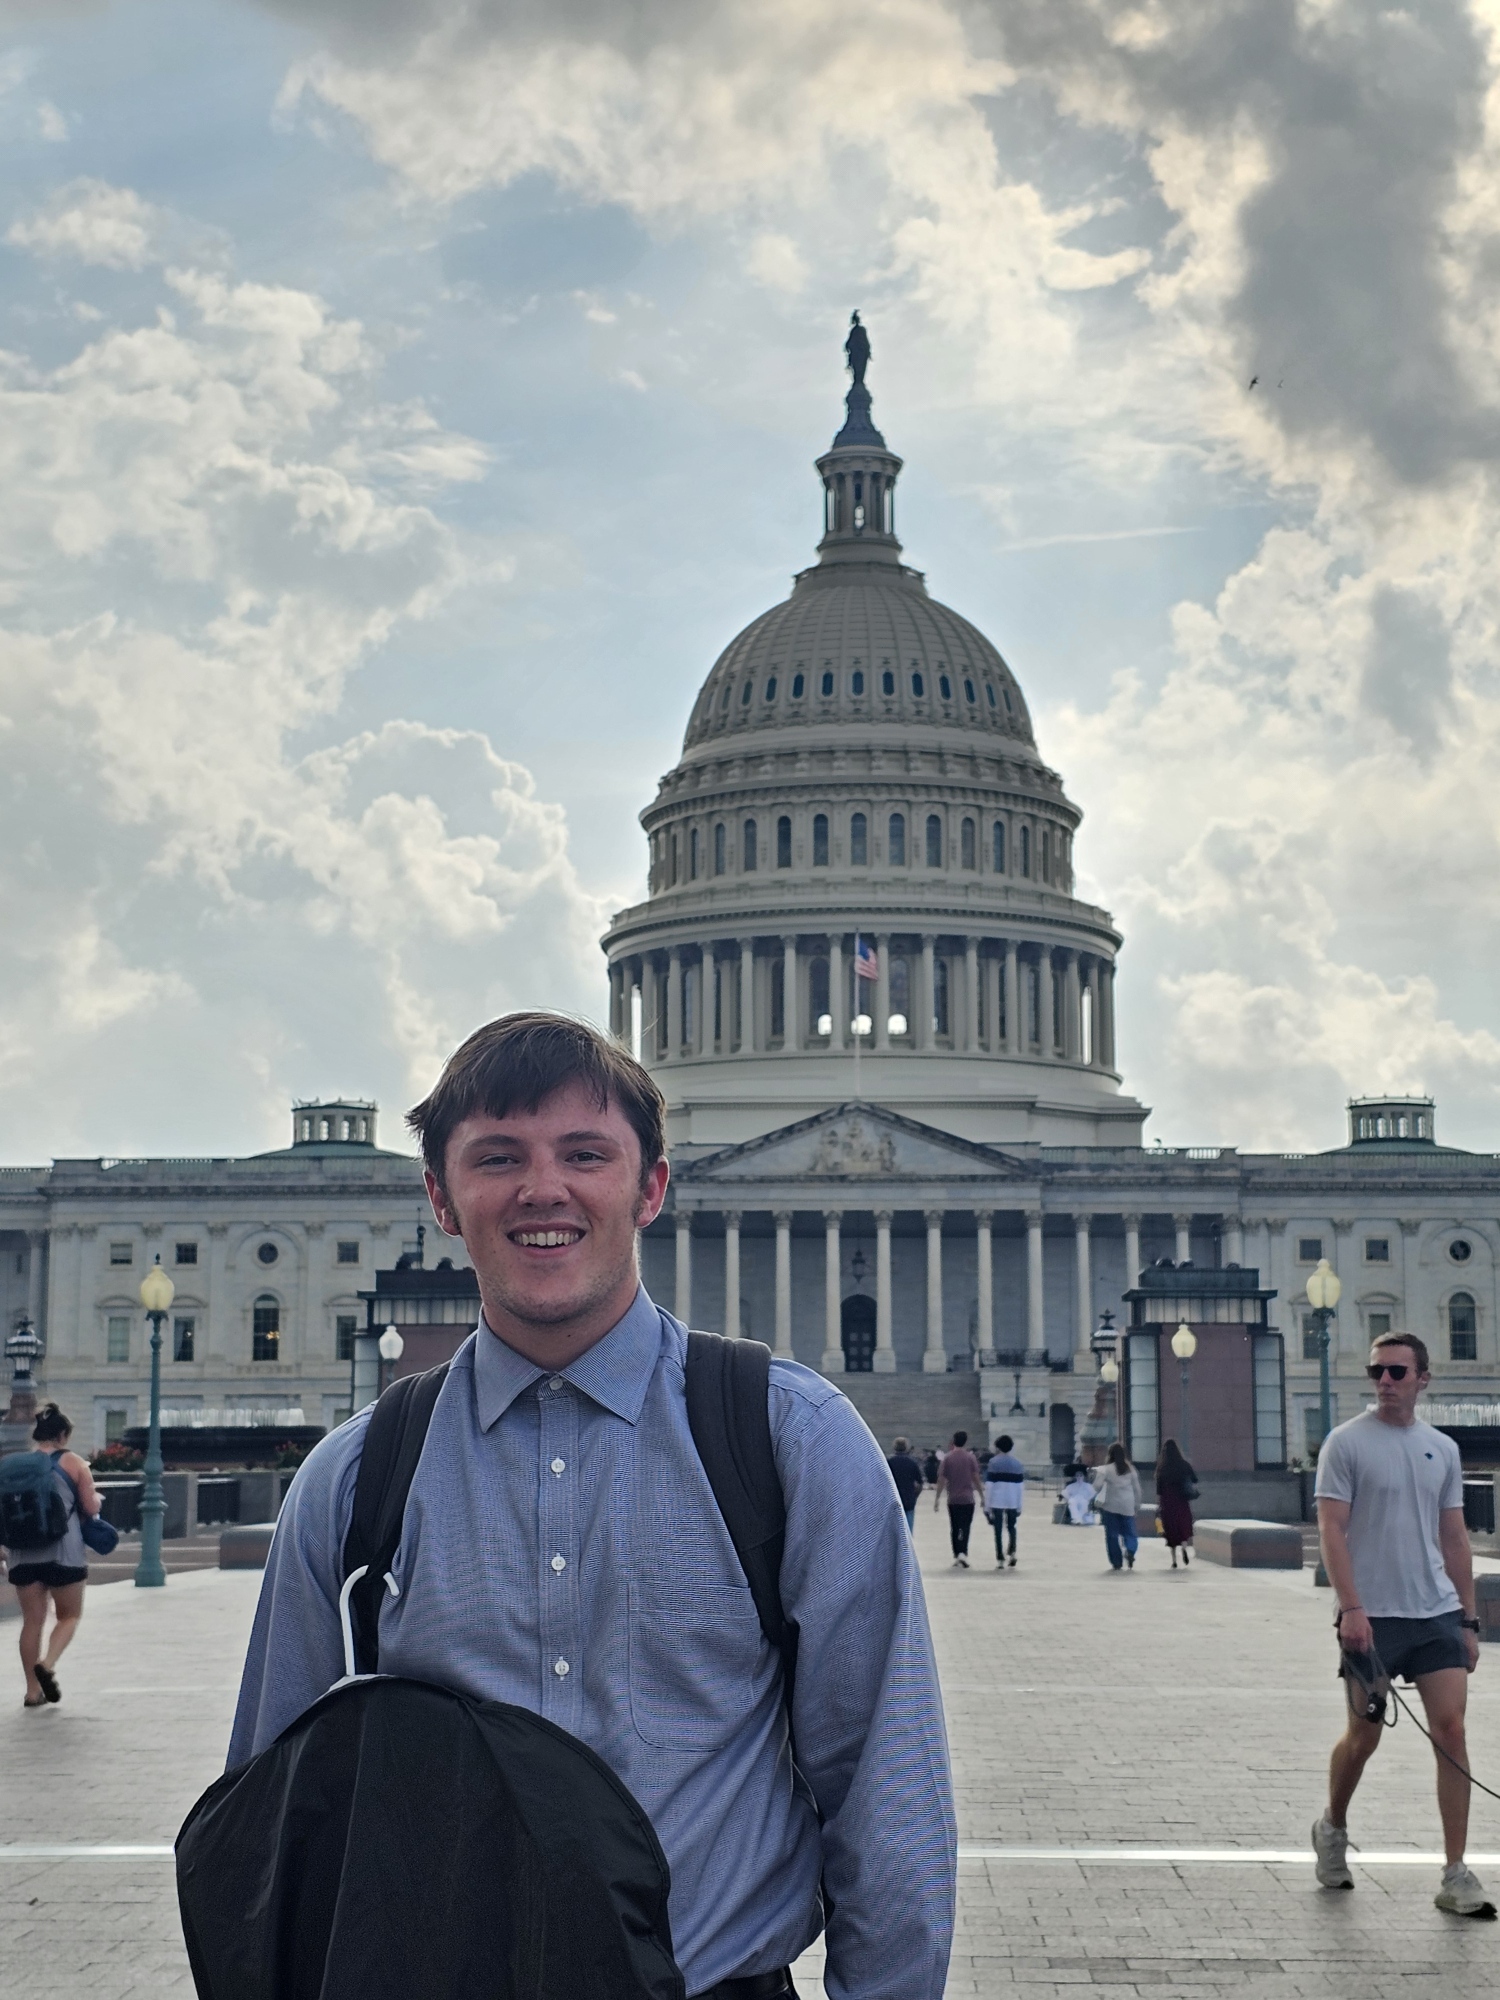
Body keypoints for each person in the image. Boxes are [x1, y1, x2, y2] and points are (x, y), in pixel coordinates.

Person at [230, 1012, 956, 1998]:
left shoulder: (792, 1443)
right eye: (499, 1157)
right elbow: (270, 1819)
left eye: (585, 1153)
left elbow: (884, 1785)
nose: (543, 1189)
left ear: (650, 1186)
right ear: (441, 1197)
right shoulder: (356, 1478)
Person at [1312, 1332, 1493, 1919]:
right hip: (1372, 1616)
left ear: (1422, 1379)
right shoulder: (1345, 1443)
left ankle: (1455, 1872)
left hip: (1436, 1611)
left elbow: (1455, 1537)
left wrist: (1468, 1620)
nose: (1385, 1382)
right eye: (1377, 1372)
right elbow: (1332, 1530)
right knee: (1364, 1736)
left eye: (1396, 1372)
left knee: (1452, 1732)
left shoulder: (1442, 1448)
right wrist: (1352, 1608)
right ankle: (1333, 1826)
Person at [7, 1403, 100, 1708]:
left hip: (22, 1552)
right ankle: (47, 1665)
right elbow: (90, 1507)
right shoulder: (73, 1462)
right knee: (69, 1616)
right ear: (62, 1435)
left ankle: (32, 1692)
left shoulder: (17, 1466)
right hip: (63, 1552)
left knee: (31, 1622)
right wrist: (96, 1500)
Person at [933, 1429, 983, 1567]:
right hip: (968, 1498)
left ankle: (956, 1553)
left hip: (953, 1498)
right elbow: (976, 1478)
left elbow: (942, 1479)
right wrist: (982, 1495)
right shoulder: (970, 1458)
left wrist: (937, 1498)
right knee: (965, 1526)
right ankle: (963, 1552)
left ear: (954, 1441)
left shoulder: (948, 1458)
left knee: (954, 1526)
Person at [1092, 1443, 1142, 1571]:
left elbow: (1097, 1486)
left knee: (1112, 1535)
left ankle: (1116, 1562)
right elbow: (1137, 1489)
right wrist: (1137, 1505)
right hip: (1128, 1505)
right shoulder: (1131, 1469)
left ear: (1110, 1454)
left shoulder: (1105, 1469)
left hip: (1111, 1506)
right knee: (1130, 1533)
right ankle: (1130, 1550)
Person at [982, 1435, 1025, 1568]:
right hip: (1012, 1500)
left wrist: (987, 1506)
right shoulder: (1017, 1463)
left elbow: (990, 1486)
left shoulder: (993, 1462)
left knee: (998, 1530)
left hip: (997, 1500)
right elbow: (1020, 1487)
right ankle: (1012, 1553)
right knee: (1012, 1527)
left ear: (998, 1447)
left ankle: (1000, 1558)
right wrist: (1019, 1506)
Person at [1154, 1437, 1196, 1568]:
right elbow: (1194, 1479)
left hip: (1167, 1501)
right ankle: (1184, 1547)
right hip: (1181, 1500)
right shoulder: (1184, 1464)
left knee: (1170, 1529)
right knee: (1183, 1525)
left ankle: (1174, 1561)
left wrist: (1159, 1504)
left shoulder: (1162, 1467)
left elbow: (1159, 1489)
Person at [887, 1436, 924, 1532]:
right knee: (907, 1531)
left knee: (893, 1531)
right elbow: (920, 1483)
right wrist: (915, 1495)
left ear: (894, 1447)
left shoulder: (889, 1462)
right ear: (906, 1448)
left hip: (893, 1500)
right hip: (909, 1500)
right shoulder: (912, 1463)